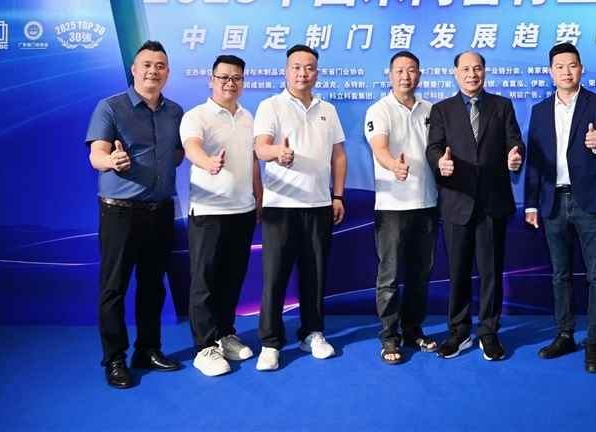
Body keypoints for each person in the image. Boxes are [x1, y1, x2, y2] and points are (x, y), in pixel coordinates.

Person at [86, 40, 184, 389]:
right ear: (134, 69)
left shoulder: (175, 112)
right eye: (147, 64)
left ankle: (148, 349)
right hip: (120, 212)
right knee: (114, 287)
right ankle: (114, 359)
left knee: (153, 285)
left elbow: (177, 154)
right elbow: (96, 155)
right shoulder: (110, 107)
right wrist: (111, 160)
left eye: (160, 65)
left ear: (167, 72)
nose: (153, 71)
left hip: (161, 210)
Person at [524, 43, 596, 373]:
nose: (566, 71)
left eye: (572, 65)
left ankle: (594, 341)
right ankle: (564, 334)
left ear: (581, 69)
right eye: (560, 66)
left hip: (589, 200)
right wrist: (530, 204)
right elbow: (534, 161)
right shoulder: (539, 110)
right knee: (560, 274)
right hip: (552, 202)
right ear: (551, 72)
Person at [253, 44, 347, 371]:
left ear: (317, 73)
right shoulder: (270, 106)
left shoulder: (327, 110)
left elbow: (339, 156)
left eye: (309, 68)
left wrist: (338, 196)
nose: (303, 73)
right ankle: (270, 343)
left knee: (315, 274)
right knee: (274, 277)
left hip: (319, 204)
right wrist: (277, 153)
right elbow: (260, 147)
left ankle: (312, 333)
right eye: (296, 67)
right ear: (286, 70)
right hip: (280, 205)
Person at [426, 51, 524, 361]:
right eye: (466, 69)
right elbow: (433, 147)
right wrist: (439, 163)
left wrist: (515, 155)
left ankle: (489, 331)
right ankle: (458, 331)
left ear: (484, 72)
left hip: (493, 203)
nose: (472, 74)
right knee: (458, 271)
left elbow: (514, 141)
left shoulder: (502, 106)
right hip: (457, 201)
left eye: (477, 68)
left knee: (491, 271)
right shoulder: (442, 109)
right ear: (455, 73)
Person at [180, 55, 263, 377]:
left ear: (243, 82)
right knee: (205, 281)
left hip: (242, 210)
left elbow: (253, 161)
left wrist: (259, 197)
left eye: (236, 78)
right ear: (211, 80)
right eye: (224, 77)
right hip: (209, 211)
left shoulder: (247, 117)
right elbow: (192, 147)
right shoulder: (196, 116)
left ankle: (225, 333)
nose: (230, 83)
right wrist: (207, 163)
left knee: (232, 277)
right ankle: (205, 347)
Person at [364, 51, 439, 364]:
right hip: (393, 206)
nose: (406, 76)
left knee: (421, 274)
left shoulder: (431, 110)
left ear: (419, 74)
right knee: (390, 275)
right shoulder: (379, 110)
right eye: (399, 71)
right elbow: (379, 146)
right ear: (390, 74)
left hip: (427, 203)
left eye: (411, 70)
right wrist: (393, 165)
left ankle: (413, 330)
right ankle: (389, 336)